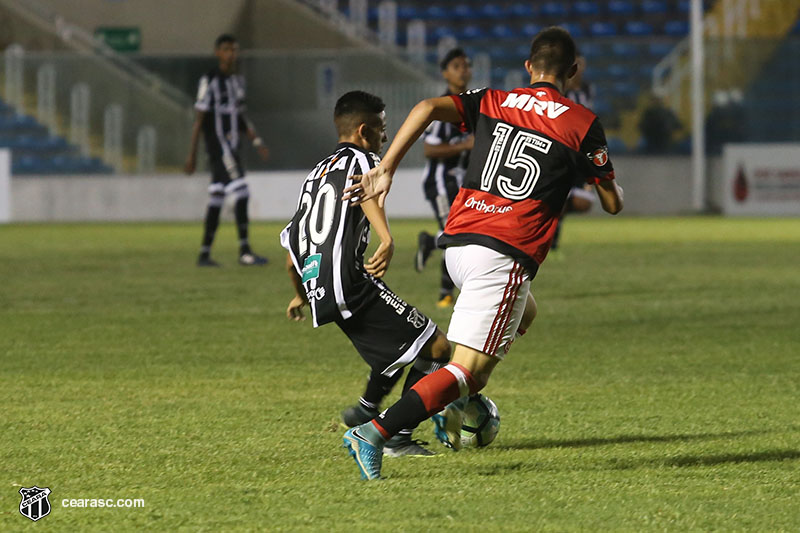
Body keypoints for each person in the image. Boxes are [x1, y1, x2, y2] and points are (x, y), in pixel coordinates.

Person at [341, 27, 624, 480]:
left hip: (458, 245)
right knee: (469, 369)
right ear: (573, 71)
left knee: (524, 312)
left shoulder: (494, 99)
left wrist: (386, 167)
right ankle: (376, 431)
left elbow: (426, 107)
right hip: (502, 254)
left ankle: (456, 401)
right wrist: (610, 184)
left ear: (529, 68)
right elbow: (611, 203)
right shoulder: (581, 123)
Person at [281, 91, 452, 458]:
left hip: (320, 285)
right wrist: (386, 237)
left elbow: (292, 245)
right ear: (363, 131)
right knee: (437, 349)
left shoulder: (315, 174)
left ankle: (367, 407)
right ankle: (395, 436)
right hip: (349, 283)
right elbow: (366, 193)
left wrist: (300, 293)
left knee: (397, 348)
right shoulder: (364, 159)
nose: (385, 138)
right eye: (382, 129)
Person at [185, 34, 270, 267]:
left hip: (233, 147)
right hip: (219, 147)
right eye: (226, 49)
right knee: (241, 192)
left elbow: (241, 118)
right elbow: (199, 118)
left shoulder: (237, 82)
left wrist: (256, 141)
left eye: (234, 49)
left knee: (217, 197)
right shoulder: (210, 80)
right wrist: (192, 154)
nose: (231, 54)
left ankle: (204, 254)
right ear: (217, 53)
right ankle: (245, 251)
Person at [416, 48, 475, 307]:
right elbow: (429, 149)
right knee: (456, 233)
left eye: (466, 65)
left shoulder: (472, 105)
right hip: (441, 180)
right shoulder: (444, 107)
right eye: (456, 66)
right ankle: (445, 294)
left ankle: (430, 242)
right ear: (445, 73)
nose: (463, 70)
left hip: (460, 179)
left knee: (463, 233)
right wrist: (465, 146)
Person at [552, 52, 597, 254]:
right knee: (558, 199)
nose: (580, 69)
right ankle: (551, 235)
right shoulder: (561, 90)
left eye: (582, 64)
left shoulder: (587, 89)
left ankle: (556, 216)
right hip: (562, 152)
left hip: (581, 154)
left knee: (584, 202)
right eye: (576, 64)